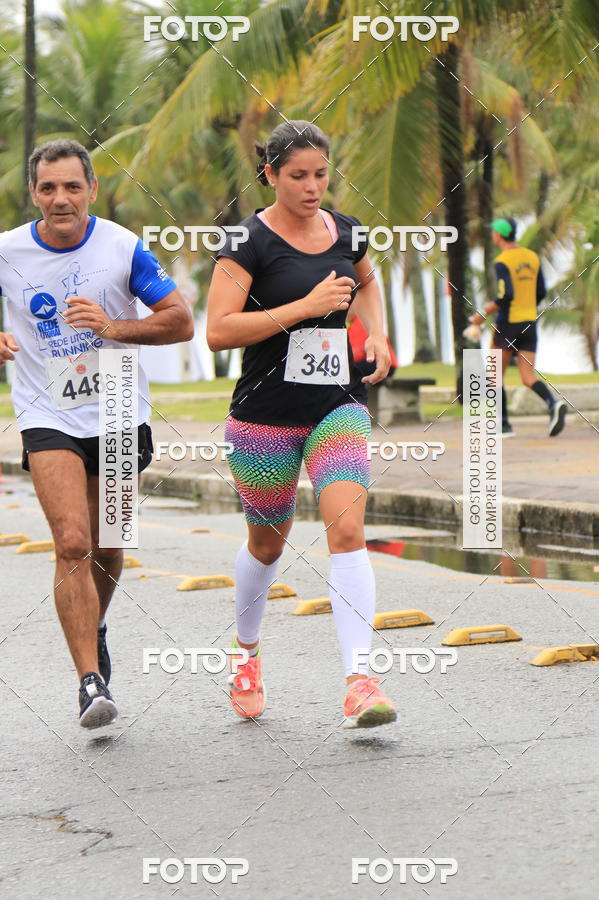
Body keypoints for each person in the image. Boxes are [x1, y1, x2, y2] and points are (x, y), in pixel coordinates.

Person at [207, 121, 397, 729]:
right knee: (268, 544)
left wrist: (380, 332)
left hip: (334, 406)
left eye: (321, 174)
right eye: (298, 176)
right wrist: (303, 309)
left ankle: (360, 682)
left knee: (347, 530)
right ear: (270, 175)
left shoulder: (346, 230)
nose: (313, 187)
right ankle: (247, 654)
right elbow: (217, 331)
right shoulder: (246, 241)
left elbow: (366, 278)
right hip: (264, 417)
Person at [0, 139, 194, 728]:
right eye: (48, 187)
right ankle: (89, 681)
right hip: (46, 411)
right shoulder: (6, 252)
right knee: (73, 544)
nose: (60, 198)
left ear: (92, 189)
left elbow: (181, 321)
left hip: (114, 406)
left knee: (108, 547)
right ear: (33, 193)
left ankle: (96, 624)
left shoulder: (123, 247)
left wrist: (112, 325)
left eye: (72, 186)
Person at [469, 216, 566, 437]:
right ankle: (553, 404)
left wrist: (482, 314)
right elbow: (541, 291)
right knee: (527, 376)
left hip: (508, 323)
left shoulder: (502, 261)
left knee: (494, 375)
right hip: (529, 321)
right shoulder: (532, 257)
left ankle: (503, 425)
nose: (492, 234)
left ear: (499, 235)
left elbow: (506, 295)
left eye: (493, 231)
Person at [348, 311, 397, 381]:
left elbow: (359, 351)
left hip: (382, 362)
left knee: (348, 370)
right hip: (380, 363)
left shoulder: (361, 322)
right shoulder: (352, 326)